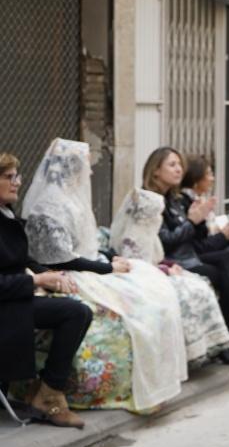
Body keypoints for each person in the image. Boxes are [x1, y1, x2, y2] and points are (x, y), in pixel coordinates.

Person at [23, 139, 188, 412]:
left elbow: (85, 245)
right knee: (135, 311)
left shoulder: (70, 200)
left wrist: (110, 259)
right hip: (69, 274)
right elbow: (62, 258)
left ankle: (151, 384)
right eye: (86, 167)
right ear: (73, 168)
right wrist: (109, 268)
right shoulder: (50, 206)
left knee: (151, 287)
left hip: (88, 267)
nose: (89, 174)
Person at [144, 147, 229, 357]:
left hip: (191, 257)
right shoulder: (155, 201)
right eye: (172, 165)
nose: (178, 170)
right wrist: (199, 223)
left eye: (179, 165)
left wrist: (226, 231)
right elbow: (169, 242)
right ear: (155, 171)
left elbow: (197, 239)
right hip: (172, 262)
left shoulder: (175, 200)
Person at [1, 152, 93, 428]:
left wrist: (48, 274)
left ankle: (45, 390)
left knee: (77, 306)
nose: (17, 182)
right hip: (6, 306)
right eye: (8, 177)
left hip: (13, 300)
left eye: (17, 176)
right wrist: (36, 282)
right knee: (75, 313)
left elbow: (21, 259)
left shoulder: (6, 215)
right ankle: (49, 393)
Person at [109, 187, 229, 367]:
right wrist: (166, 271)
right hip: (146, 280)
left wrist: (170, 266)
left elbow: (157, 256)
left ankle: (219, 345)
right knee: (189, 292)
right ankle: (199, 349)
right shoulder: (133, 237)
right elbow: (139, 264)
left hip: (161, 273)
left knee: (199, 287)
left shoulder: (150, 234)